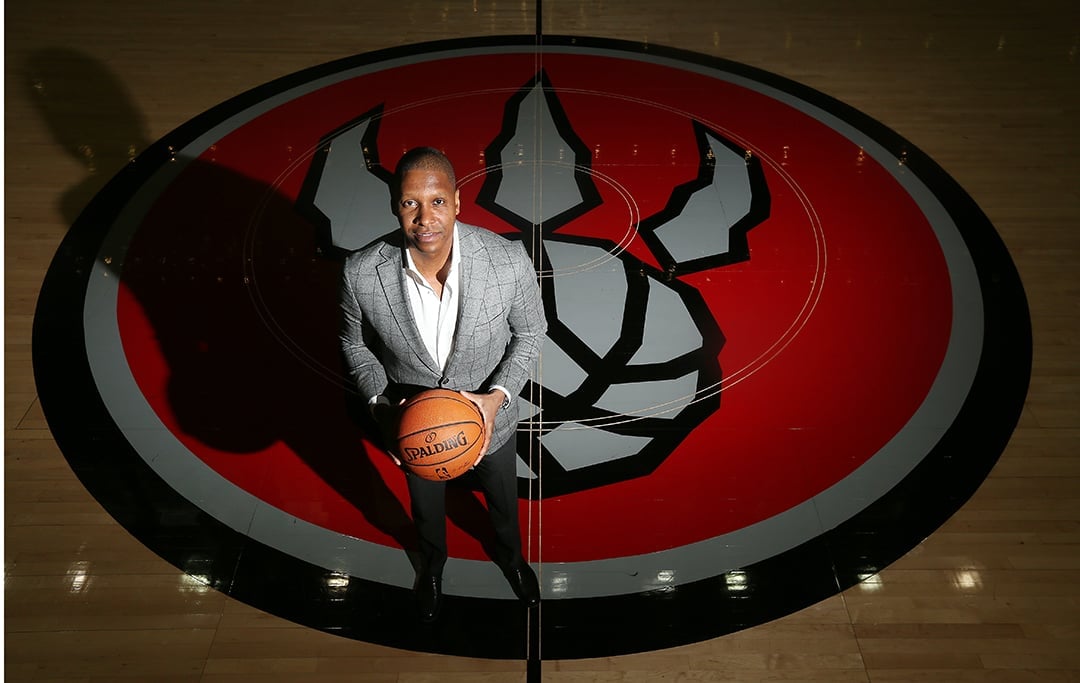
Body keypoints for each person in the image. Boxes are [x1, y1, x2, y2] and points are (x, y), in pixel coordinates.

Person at [339, 146, 546, 621]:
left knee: (503, 502)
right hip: (413, 423)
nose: (424, 218)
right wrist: (380, 406)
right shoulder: (360, 273)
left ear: (457, 200)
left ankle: (512, 559)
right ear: (395, 205)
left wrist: (497, 399)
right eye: (410, 203)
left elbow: (532, 331)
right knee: (426, 511)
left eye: (436, 202)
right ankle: (432, 566)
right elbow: (355, 346)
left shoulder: (507, 260)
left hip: (492, 416)